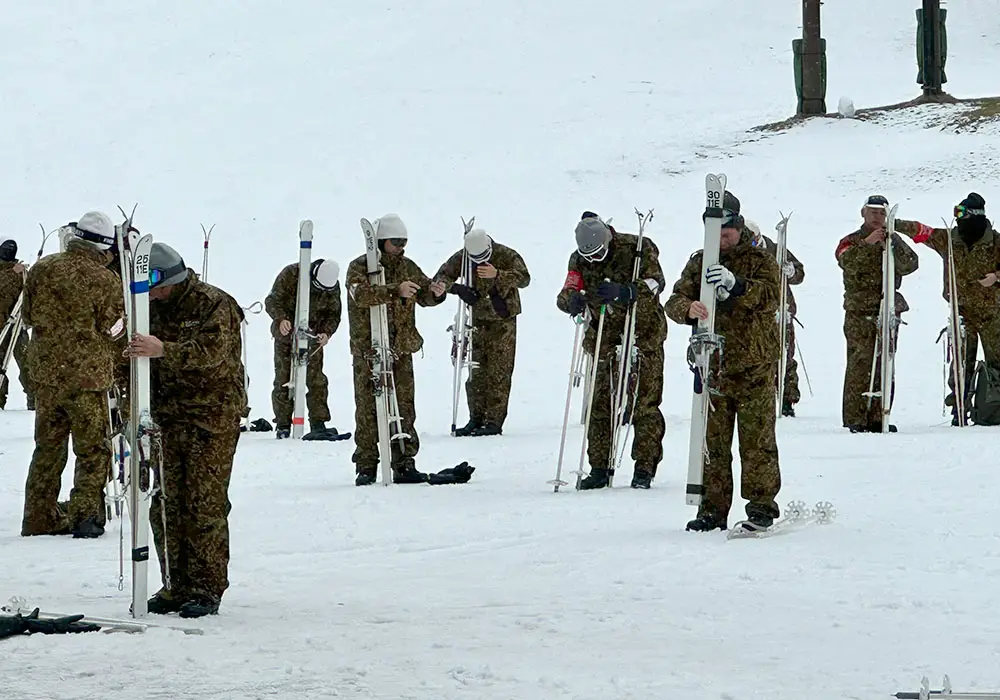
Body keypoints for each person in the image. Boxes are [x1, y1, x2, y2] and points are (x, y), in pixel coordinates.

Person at [125, 242, 246, 618]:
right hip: (166, 420)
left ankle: (207, 587)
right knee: (166, 505)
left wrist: (165, 350)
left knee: (203, 504)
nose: (154, 293)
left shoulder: (214, 304)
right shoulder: (148, 309)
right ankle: (175, 585)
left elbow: (212, 356)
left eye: (157, 285)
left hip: (211, 420)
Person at [664, 192, 782, 532]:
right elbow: (675, 299)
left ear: (738, 226)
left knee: (756, 440)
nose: (721, 238)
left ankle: (761, 506)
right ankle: (712, 510)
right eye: (714, 231)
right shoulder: (699, 261)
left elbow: (770, 295)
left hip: (754, 365)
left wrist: (737, 286)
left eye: (726, 231)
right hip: (713, 366)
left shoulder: (761, 259)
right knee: (712, 444)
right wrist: (687, 310)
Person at [20, 212, 124, 538]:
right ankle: (85, 517)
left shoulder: (42, 269)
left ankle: (38, 517)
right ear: (105, 245)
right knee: (92, 450)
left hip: (47, 379)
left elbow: (26, 317)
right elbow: (113, 329)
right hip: (87, 382)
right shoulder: (105, 280)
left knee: (47, 449)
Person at [555, 211, 667, 490]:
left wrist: (627, 291)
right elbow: (569, 287)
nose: (593, 261)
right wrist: (571, 302)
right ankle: (599, 466)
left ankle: (644, 466)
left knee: (645, 403)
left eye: (598, 255)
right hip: (604, 335)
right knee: (601, 403)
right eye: (589, 257)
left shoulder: (637, 247)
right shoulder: (578, 259)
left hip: (643, 332)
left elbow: (656, 281)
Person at [345, 214, 447, 485]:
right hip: (370, 350)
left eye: (404, 241)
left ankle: (403, 461)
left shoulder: (408, 266)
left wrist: (436, 293)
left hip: (401, 348)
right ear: (380, 241)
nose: (401, 246)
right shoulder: (359, 267)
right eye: (395, 241)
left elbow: (423, 294)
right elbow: (361, 296)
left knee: (404, 407)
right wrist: (393, 291)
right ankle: (366, 465)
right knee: (368, 409)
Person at [894, 193, 1000, 424]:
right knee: (961, 365)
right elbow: (922, 232)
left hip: (993, 314)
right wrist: (894, 224)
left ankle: (994, 408)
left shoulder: (996, 242)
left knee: (997, 363)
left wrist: (996, 277)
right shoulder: (950, 240)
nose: (958, 219)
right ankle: (959, 409)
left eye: (961, 214)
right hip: (962, 312)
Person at [433, 228, 530, 436]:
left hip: (503, 320)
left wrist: (498, 275)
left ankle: (493, 421)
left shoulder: (506, 254)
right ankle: (475, 418)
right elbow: (440, 278)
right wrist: (458, 289)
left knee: (499, 371)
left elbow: (524, 278)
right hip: (476, 319)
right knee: (476, 371)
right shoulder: (463, 257)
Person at [835, 195, 919, 432]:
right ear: (863, 213)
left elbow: (911, 264)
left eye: (882, 213)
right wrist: (868, 244)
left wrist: (893, 243)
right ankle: (856, 418)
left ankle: (878, 416)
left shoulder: (893, 239)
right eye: (872, 212)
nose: (877, 217)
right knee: (859, 364)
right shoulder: (850, 241)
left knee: (886, 363)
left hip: (888, 308)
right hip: (860, 311)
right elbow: (845, 261)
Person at [264, 257, 348, 439]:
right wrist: (281, 319)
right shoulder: (291, 274)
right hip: (286, 336)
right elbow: (272, 300)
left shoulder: (332, 286)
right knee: (283, 378)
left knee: (316, 380)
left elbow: (334, 313)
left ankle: (318, 422)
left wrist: (327, 332)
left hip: (313, 338)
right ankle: (283, 423)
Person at [745, 219, 805, 416]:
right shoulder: (741, 255)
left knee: (785, 356)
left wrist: (791, 271)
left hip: (782, 312)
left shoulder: (776, 249)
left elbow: (799, 273)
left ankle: (787, 400)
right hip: (754, 315)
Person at [0, 238, 35, 410]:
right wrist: (12, 273)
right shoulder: (11, 272)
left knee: (27, 362)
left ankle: (34, 399)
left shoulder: (21, 271)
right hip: (1, 326)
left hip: (16, 326)